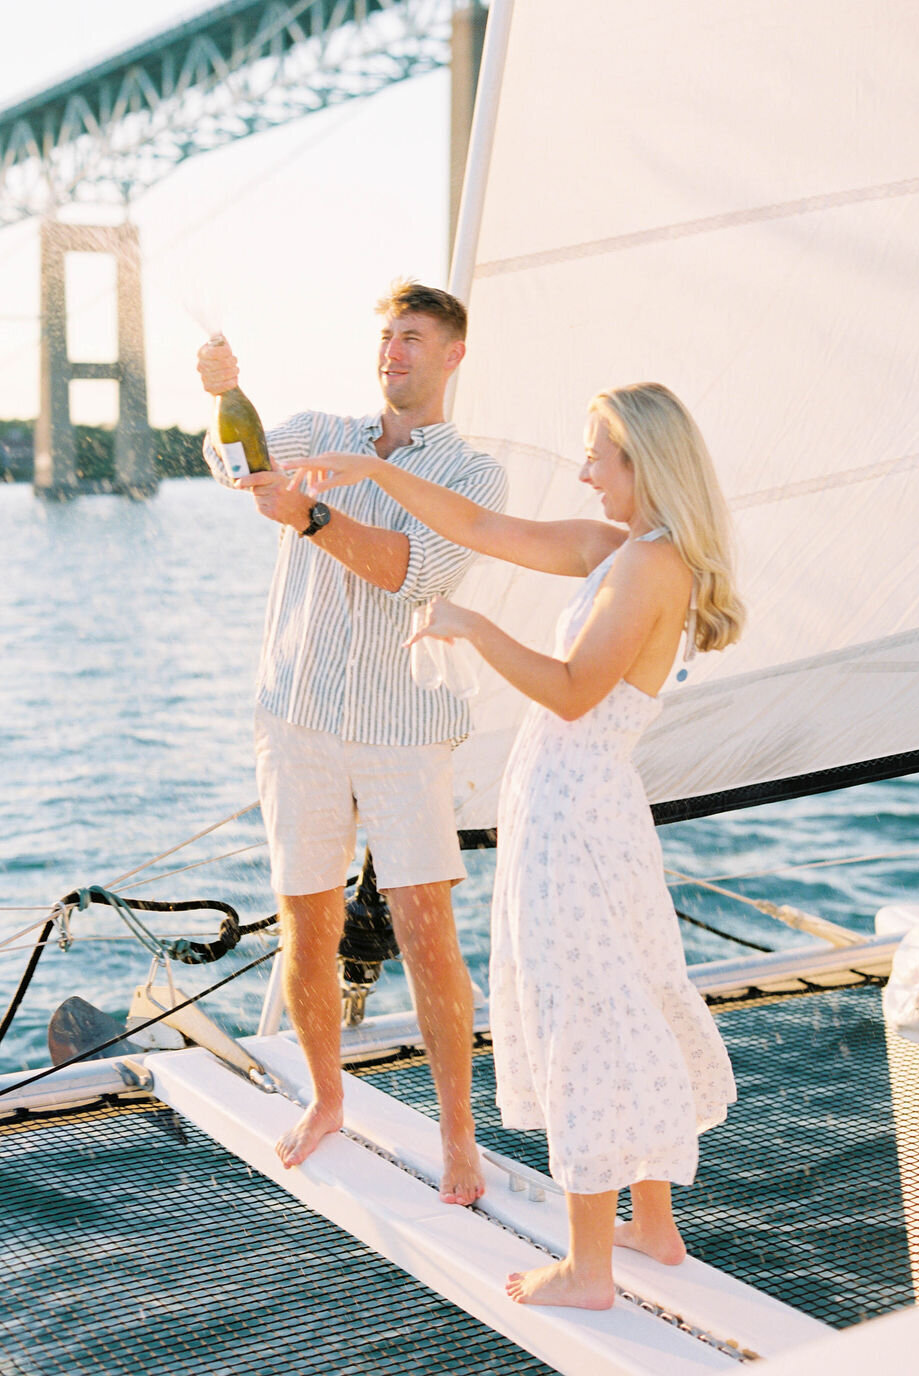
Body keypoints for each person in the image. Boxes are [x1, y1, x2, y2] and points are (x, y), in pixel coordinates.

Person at [280, 381, 745, 1308]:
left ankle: (589, 1270)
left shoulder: (650, 568)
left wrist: (472, 627)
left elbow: (573, 690)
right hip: (577, 806)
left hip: (579, 817)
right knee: (621, 993)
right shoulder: (624, 550)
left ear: (641, 464)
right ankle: (649, 1225)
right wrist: (372, 467)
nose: (582, 472)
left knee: (584, 1010)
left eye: (595, 456)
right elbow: (483, 529)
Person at [195, 280, 508, 1202]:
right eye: (386, 337)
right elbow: (232, 461)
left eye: (413, 338)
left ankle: (459, 1138)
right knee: (307, 920)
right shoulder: (317, 429)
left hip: (403, 732)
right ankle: (328, 1098)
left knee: (426, 934)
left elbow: (411, 573)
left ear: (453, 356)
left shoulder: (473, 475)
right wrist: (222, 393)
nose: (394, 352)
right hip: (295, 719)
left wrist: (313, 517)